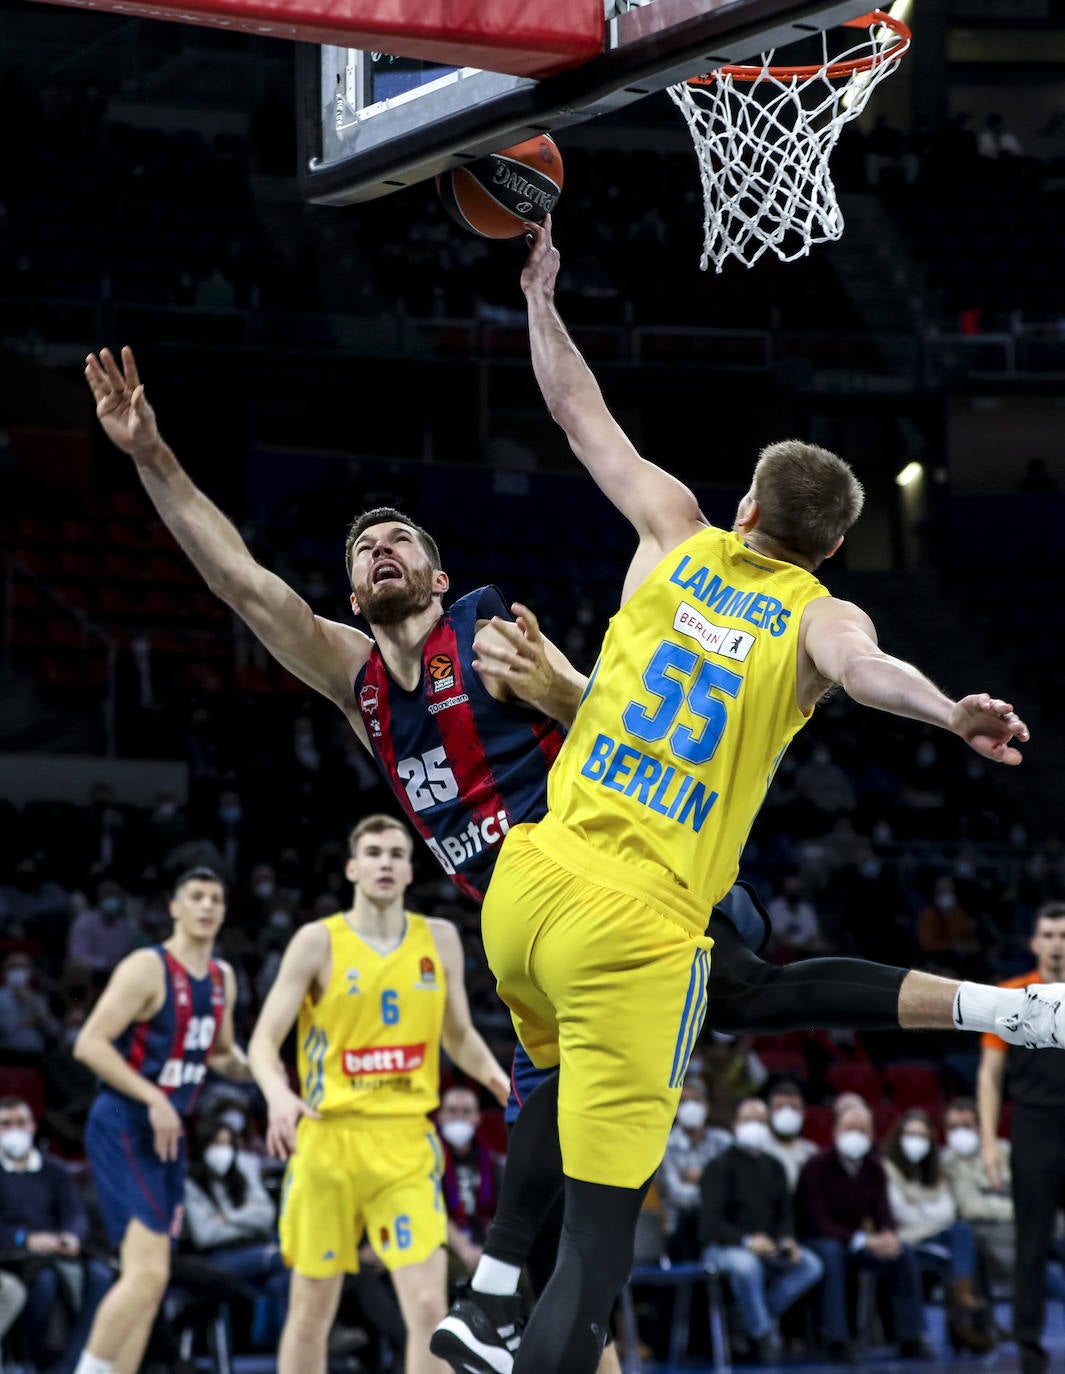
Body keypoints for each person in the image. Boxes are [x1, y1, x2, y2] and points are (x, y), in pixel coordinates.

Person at [85, 332, 1060, 1374]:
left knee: (614, 1182)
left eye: (400, 538)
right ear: (353, 591)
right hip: (536, 946)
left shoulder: (490, 634)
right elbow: (242, 583)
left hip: (632, 884)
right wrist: (152, 456)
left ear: (440, 573)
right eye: (363, 547)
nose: (379, 549)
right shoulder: (357, 683)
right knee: (587, 1218)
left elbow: (630, 714)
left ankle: (1001, 1011)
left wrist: (558, 685)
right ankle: (998, 1010)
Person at [429, 215, 1063, 1374]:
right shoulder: (821, 616)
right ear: (829, 550)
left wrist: (538, 296)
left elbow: (575, 410)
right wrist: (950, 713)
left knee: (717, 992)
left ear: (751, 512)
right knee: (603, 1245)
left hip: (526, 886)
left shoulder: (675, 530)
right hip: (635, 928)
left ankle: (490, 1293)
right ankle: (513, 1301)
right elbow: (869, 672)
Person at [246, 814, 510, 1374]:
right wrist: (277, 1095)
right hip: (329, 1140)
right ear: (352, 868)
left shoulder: (440, 939)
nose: (385, 863)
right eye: (373, 853)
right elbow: (263, 1040)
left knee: (429, 1308)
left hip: (406, 1142)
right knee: (311, 1312)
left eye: (396, 854)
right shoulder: (317, 941)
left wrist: (497, 1081)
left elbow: (459, 1035)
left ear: (411, 871)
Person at [70, 866, 248, 1374]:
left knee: (152, 1280)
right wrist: (154, 1097)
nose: (207, 906)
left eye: (216, 899)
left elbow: (220, 1054)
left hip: (168, 1130)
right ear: (174, 907)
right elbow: (89, 1044)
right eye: (196, 897)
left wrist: (262, 1070)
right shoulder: (147, 968)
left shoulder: (223, 978)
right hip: (123, 1118)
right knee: (146, 1275)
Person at [977, 900, 1065, 1374]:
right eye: (1048, 935)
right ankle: (1029, 1349)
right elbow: (990, 1075)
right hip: (1033, 1129)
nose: (1056, 944)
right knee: (1031, 1243)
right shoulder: (1011, 994)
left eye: (1063, 935)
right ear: (1034, 942)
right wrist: (989, 1142)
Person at [797, 1101, 926, 1360]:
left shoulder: (874, 1168)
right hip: (819, 1240)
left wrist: (888, 1236)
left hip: (858, 1242)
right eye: (850, 1128)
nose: (856, 1135)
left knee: (902, 1252)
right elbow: (816, 1221)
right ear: (835, 1131)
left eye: (862, 1130)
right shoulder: (816, 1166)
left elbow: (883, 1213)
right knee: (832, 1254)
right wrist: (863, 1240)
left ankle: (910, 1337)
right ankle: (837, 1339)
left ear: (872, 1135)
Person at [699, 1097, 822, 1363]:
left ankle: (746, 1320)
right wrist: (747, 1241)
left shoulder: (775, 1166)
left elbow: (785, 1215)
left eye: (760, 1121)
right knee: (747, 1266)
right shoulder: (719, 1166)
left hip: (768, 1246)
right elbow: (710, 1224)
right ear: (735, 1125)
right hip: (724, 1247)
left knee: (810, 1265)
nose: (754, 1126)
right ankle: (763, 1334)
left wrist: (787, 1240)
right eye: (748, 1120)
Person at [0, 1095, 112, 1373]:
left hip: (57, 1250)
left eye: (21, 1122)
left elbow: (74, 1214)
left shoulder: (54, 1170)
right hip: (15, 1255)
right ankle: (42, 1362)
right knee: (45, 1282)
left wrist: (72, 1236)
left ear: (33, 1125)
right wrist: (25, 1238)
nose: (15, 1130)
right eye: (6, 1124)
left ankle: (72, 1364)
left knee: (101, 1276)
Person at [881, 1108, 992, 1352]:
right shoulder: (887, 1169)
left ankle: (965, 1303)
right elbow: (898, 1212)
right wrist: (927, 1212)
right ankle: (953, 1327)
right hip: (903, 1239)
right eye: (910, 1134)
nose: (916, 1141)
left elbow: (948, 1212)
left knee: (963, 1233)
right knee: (953, 1251)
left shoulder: (935, 1169)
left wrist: (918, 1209)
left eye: (922, 1136)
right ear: (898, 1137)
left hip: (931, 1236)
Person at [182, 1115, 289, 1347]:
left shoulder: (243, 1172)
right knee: (285, 1259)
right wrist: (246, 1219)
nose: (224, 1151)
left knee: (282, 1281)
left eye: (228, 1144)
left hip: (256, 1249)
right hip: (218, 1257)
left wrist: (228, 1216)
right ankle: (291, 1344)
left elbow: (266, 1216)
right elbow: (206, 1234)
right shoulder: (192, 1183)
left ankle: (284, 1346)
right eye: (216, 1144)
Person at [656, 1075, 731, 1259]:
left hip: (722, 1230)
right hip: (680, 1234)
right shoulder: (664, 1146)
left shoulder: (724, 1141)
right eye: (683, 1101)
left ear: (707, 1106)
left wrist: (703, 1177)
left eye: (696, 1100)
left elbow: (738, 1189)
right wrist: (716, 1184)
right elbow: (679, 1197)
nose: (690, 1107)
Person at [436, 1085, 505, 1278]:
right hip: (445, 1246)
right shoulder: (427, 1162)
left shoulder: (494, 1163)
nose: (459, 1116)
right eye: (452, 1110)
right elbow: (431, 1214)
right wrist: (464, 1249)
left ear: (477, 1118)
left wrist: (490, 1249)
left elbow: (502, 1214)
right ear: (441, 1116)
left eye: (466, 1111)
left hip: (486, 1244)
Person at [762, 1079, 818, 1190]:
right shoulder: (759, 1151)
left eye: (793, 1107)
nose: (787, 1113)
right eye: (780, 1107)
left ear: (803, 1113)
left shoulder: (812, 1153)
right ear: (769, 1112)